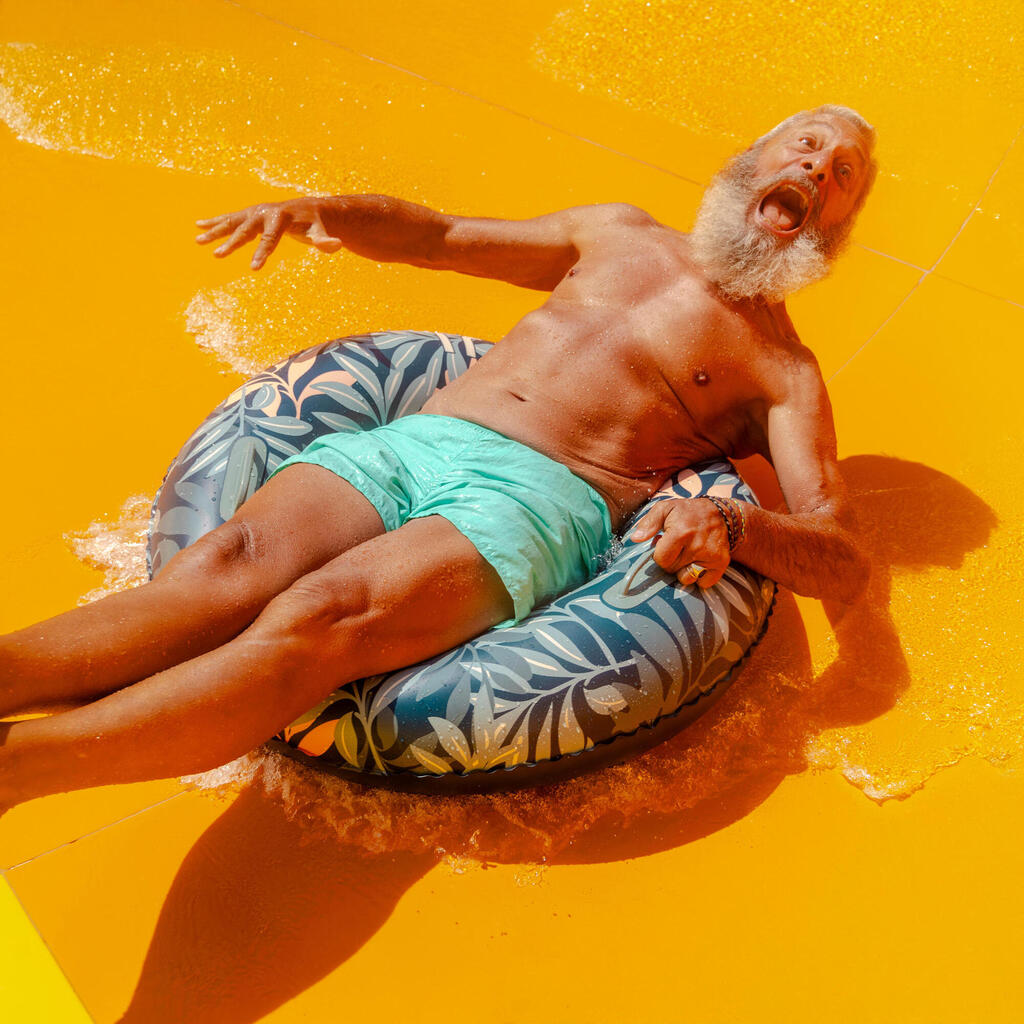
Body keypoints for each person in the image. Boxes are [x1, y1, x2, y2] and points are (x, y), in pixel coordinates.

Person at [0, 105, 876, 810]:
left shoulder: (781, 370)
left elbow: (840, 553)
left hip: (538, 498)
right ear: (753, 158)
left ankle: (18, 769)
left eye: (843, 175)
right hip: (422, 439)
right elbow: (443, 237)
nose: (817, 169)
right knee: (225, 562)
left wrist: (732, 521)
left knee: (323, 615)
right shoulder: (617, 231)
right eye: (806, 145)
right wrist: (325, 213)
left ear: (836, 228)